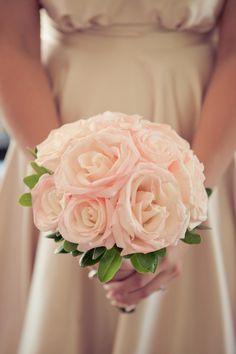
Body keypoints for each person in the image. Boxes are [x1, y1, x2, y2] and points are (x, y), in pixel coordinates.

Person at [0, 0, 235, 353]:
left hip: (200, 129)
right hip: (53, 123)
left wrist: (186, 207)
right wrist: (64, 186)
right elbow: (11, 42)